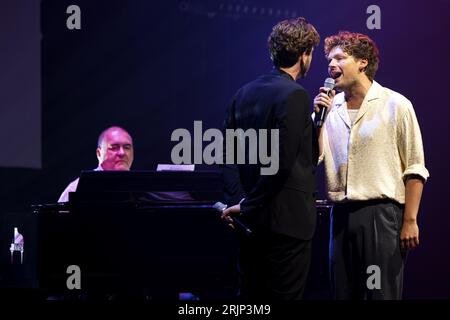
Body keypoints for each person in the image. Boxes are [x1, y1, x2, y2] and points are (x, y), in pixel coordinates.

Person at [314, 31, 429, 299]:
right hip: (340, 215)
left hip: (381, 215)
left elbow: (414, 166)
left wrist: (410, 220)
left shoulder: (395, 104)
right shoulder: (329, 108)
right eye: (329, 60)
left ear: (363, 62)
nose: (331, 65)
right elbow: (311, 159)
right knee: (342, 292)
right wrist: (318, 120)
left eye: (340, 58)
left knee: (380, 293)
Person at [221, 17, 320, 300]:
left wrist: (239, 204)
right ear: (304, 55)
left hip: (247, 224)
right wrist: (248, 205)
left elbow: (227, 157)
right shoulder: (297, 95)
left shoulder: (242, 94)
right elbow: (282, 162)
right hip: (286, 226)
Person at [58, 126, 134, 202]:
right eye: (114, 148)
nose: (122, 153)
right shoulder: (77, 188)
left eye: (127, 147)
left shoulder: (142, 189)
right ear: (99, 153)